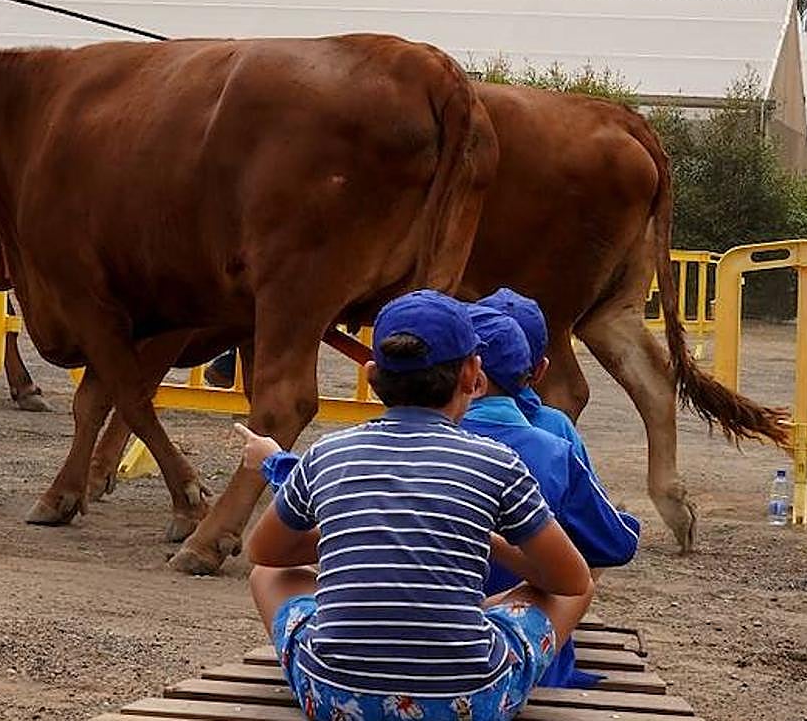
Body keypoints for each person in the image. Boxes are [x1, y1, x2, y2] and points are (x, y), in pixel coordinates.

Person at [240, 289, 594, 721]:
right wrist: (486, 541)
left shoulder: (327, 453)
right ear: (473, 375)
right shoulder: (497, 463)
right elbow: (572, 580)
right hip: (470, 704)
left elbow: (264, 553)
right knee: (560, 591)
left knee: (269, 575)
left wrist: (360, 533)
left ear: (371, 376)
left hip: (335, 699)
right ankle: (456, 628)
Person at [461, 305, 640, 688]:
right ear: (539, 370)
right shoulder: (552, 442)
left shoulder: (364, 449)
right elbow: (614, 544)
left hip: (379, 665)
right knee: (570, 575)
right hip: (516, 665)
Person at [478, 287, 593, 469]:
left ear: (469, 368)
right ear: (541, 370)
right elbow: (588, 495)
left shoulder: (446, 425)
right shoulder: (557, 429)